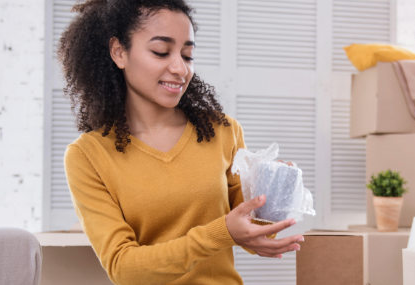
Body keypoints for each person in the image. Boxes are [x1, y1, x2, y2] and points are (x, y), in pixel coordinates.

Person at [58, 1, 303, 284]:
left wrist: (274, 194)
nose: (180, 68)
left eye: (187, 55)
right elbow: (123, 268)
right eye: (161, 52)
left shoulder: (221, 131)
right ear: (119, 52)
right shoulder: (87, 156)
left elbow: (251, 232)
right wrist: (219, 232)